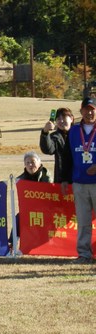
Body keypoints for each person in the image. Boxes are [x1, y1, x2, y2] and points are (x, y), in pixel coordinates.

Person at [60, 97, 96, 264]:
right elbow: (67, 157)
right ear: (80, 111)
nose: (89, 112)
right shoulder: (74, 131)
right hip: (79, 183)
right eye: (86, 109)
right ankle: (84, 254)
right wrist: (65, 179)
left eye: (92, 109)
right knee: (83, 221)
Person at [39, 107, 73, 183]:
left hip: (79, 178)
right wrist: (45, 132)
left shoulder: (80, 133)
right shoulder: (55, 137)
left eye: (64, 117)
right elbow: (48, 149)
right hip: (61, 180)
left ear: (71, 118)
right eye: (58, 119)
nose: (61, 121)